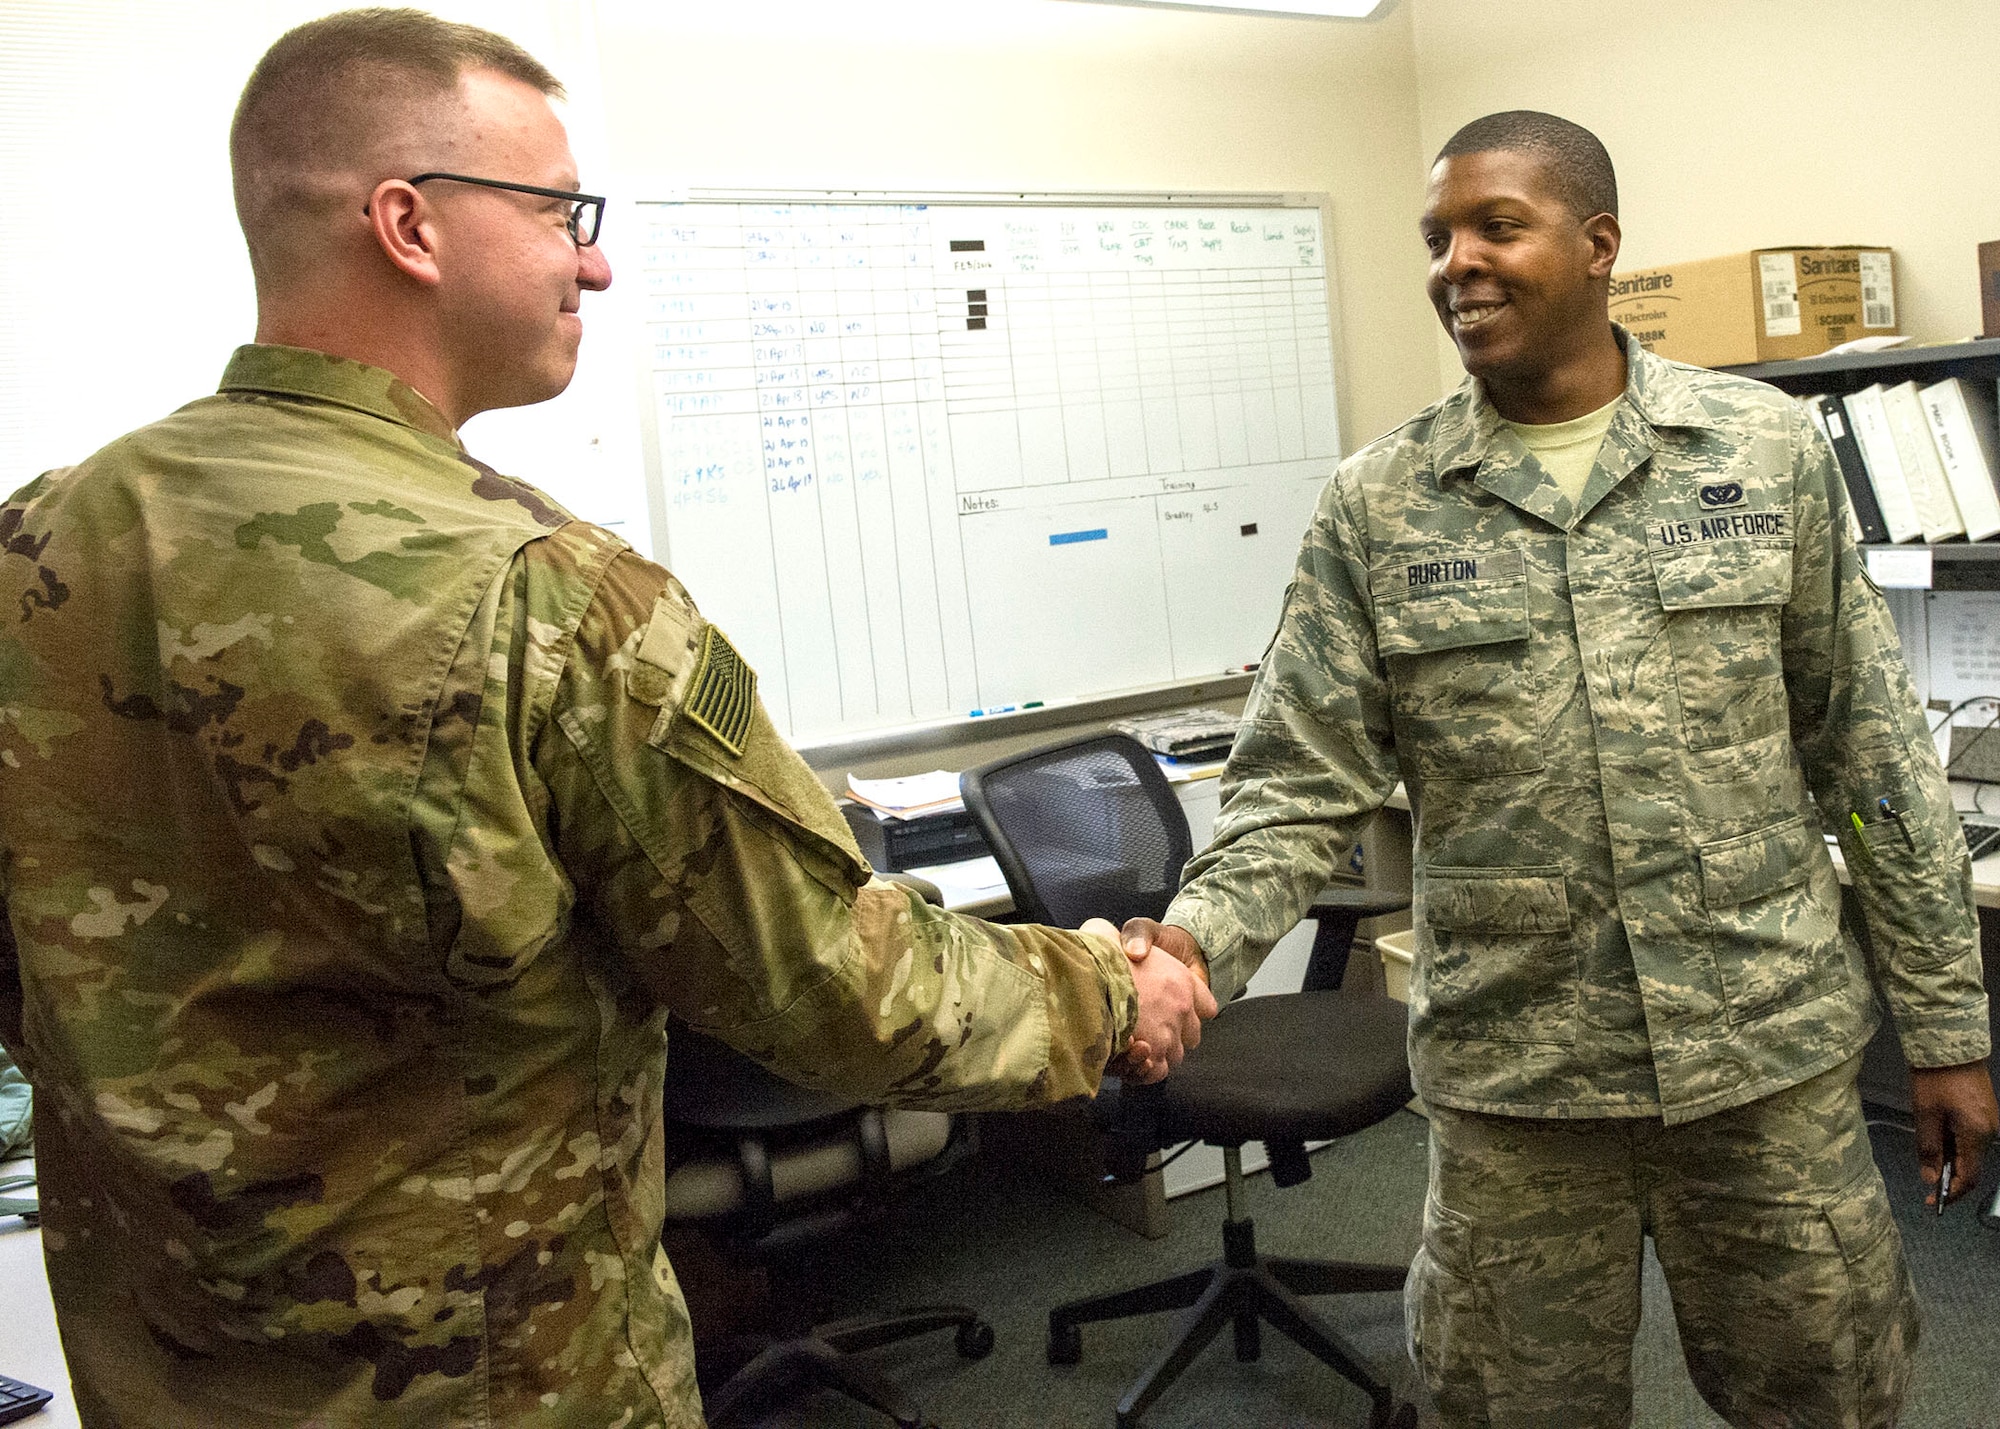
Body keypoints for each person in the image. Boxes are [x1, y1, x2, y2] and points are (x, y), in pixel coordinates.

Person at [0, 10, 1215, 1427]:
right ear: (410, 224)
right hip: (496, 1389)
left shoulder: (35, 542)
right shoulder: (543, 597)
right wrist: (1113, 991)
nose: (597, 256)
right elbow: (833, 977)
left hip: (165, 1375)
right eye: (560, 209)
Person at [1123, 110, 1998, 1427]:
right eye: (1437, 238)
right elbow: (1297, 780)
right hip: (1518, 1086)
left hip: (1760, 1062)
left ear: (1599, 246)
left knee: (1828, 1391)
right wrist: (1192, 949)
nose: (1456, 263)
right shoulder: (1384, 502)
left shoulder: (1761, 453)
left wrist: (1945, 1028)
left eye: (1496, 225)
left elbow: (1868, 754)